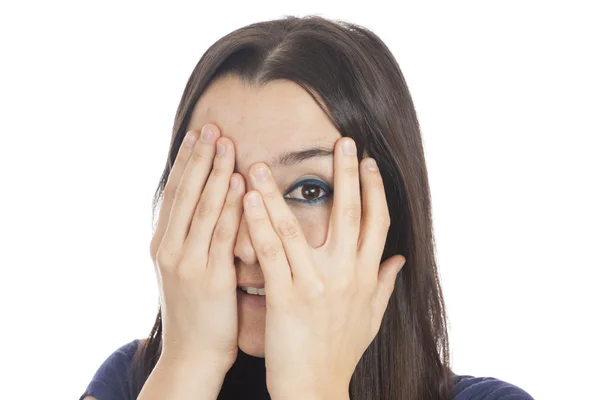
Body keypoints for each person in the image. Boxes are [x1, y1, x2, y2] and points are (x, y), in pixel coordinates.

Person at [80, 15, 534, 400]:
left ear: (386, 214)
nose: (246, 244)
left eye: (309, 190)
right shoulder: (133, 382)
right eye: (218, 186)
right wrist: (189, 362)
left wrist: (312, 386)